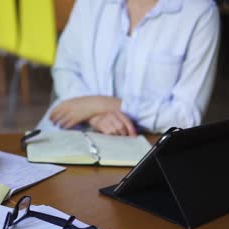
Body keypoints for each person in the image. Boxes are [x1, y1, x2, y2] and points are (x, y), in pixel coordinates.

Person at [37, 0, 220, 136]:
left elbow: (187, 117)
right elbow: (65, 69)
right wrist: (94, 115)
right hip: (73, 131)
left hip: (148, 144)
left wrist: (104, 104)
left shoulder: (200, 12)